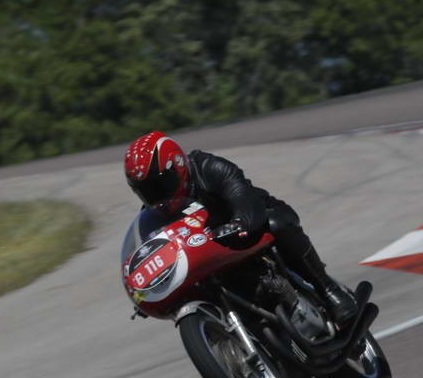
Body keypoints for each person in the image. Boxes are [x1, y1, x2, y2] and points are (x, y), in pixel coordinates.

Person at [123, 131, 357, 323]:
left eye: (161, 185)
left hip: (252, 226)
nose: (158, 197)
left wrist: (238, 223)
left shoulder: (208, 168)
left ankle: (328, 290)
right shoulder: (153, 217)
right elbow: (155, 253)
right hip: (211, 260)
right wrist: (149, 288)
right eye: (148, 191)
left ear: (179, 166)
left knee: (277, 224)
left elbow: (241, 195)